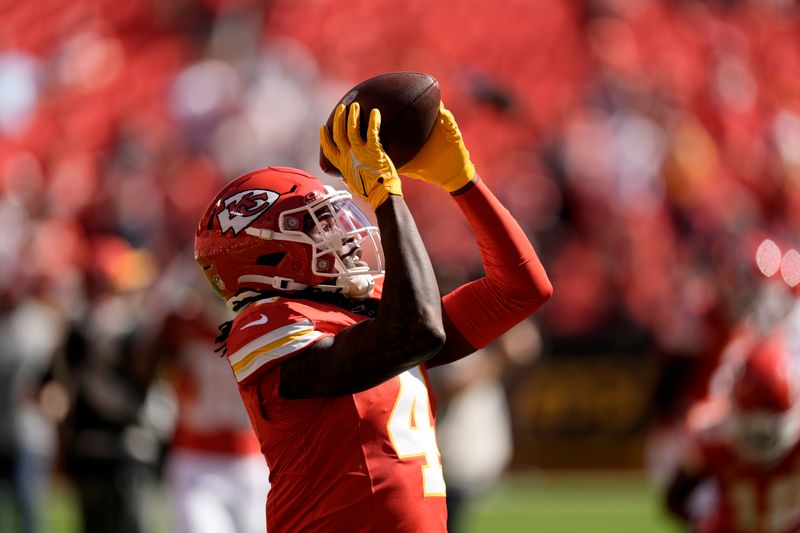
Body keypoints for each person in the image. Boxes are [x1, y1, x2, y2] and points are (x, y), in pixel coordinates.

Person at [193, 101, 553, 531]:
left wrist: (462, 182)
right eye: (315, 224)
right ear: (265, 251)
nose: (342, 233)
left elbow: (520, 290)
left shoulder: (372, 310)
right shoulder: (265, 323)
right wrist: (387, 196)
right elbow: (415, 330)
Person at [664, 333, 800, 533]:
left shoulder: (712, 437)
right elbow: (676, 499)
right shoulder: (712, 436)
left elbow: (676, 501)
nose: (762, 442)